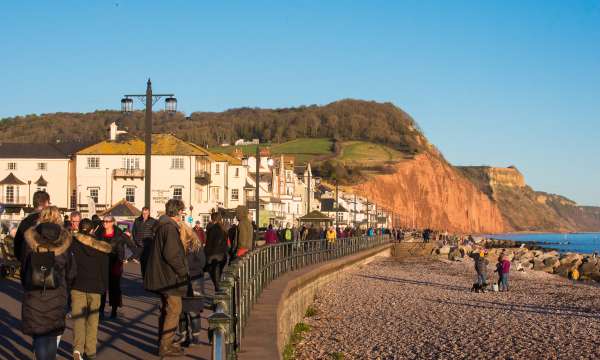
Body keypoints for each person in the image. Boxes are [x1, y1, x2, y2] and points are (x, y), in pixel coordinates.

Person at [21, 206, 76, 360]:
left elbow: (24, 267)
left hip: (35, 292)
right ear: (58, 218)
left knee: (39, 335)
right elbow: (72, 272)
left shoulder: (30, 238)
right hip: (58, 293)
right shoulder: (65, 239)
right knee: (53, 334)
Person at [144, 199, 189, 357]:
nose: (183, 214)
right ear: (177, 212)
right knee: (174, 309)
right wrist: (183, 271)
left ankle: (164, 342)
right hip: (168, 277)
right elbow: (171, 254)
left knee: (166, 309)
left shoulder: (163, 226)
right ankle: (165, 345)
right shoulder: (169, 228)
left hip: (162, 275)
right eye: (182, 211)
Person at [70, 218, 112, 360]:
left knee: (78, 320)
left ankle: (77, 349)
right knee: (93, 320)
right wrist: (104, 288)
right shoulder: (100, 247)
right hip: (95, 286)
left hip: (77, 285)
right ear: (93, 230)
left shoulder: (73, 244)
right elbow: (104, 270)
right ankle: (91, 351)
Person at [97, 215, 135, 320]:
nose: (105, 223)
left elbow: (132, 247)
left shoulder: (120, 234)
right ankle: (101, 310)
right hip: (102, 264)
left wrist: (126, 258)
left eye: (107, 221)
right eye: (104, 221)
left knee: (114, 288)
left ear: (113, 222)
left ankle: (114, 310)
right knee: (102, 289)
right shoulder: (99, 233)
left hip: (115, 264)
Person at [178, 222, 204, 346]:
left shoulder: (195, 245)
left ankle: (195, 336)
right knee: (182, 310)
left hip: (194, 281)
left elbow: (202, 262)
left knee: (193, 310)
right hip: (183, 281)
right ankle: (184, 335)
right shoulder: (178, 245)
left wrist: (188, 268)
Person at [14, 191, 50, 263]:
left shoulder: (25, 221)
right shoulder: (47, 221)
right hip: (44, 264)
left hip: (27, 263)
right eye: (48, 202)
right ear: (45, 203)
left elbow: (17, 243)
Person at [204, 212, 228, 292]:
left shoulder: (213, 229)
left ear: (212, 219)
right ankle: (219, 296)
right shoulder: (223, 229)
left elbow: (209, 244)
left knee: (215, 279)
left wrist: (206, 255)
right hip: (222, 255)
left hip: (214, 256)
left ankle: (219, 298)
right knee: (218, 277)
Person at [132, 207, 156, 272]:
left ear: (149, 213)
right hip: (139, 244)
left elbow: (156, 232)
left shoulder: (153, 221)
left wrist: (152, 242)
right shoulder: (137, 220)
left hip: (149, 246)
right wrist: (136, 241)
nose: (144, 215)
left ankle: (148, 278)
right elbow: (134, 232)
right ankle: (144, 279)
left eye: (146, 213)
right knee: (143, 264)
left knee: (149, 263)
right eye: (143, 213)